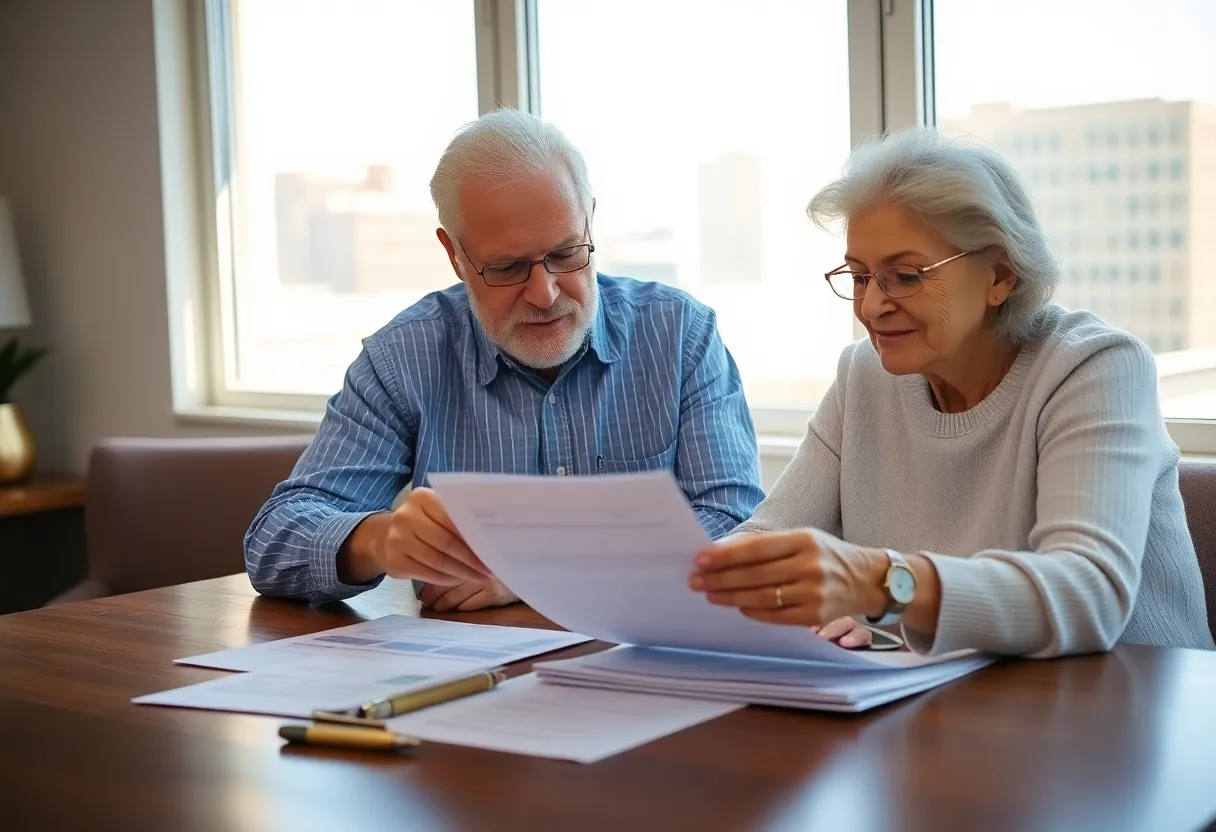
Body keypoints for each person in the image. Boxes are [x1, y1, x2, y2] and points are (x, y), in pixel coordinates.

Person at [689, 127, 1214, 657]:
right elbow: (767, 539)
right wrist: (670, 581)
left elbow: (1087, 594)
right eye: (860, 276)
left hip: (1128, 706)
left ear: (1000, 275)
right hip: (952, 701)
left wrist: (879, 585)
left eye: (906, 276)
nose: (871, 307)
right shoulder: (862, 375)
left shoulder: (1093, 368)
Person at [245, 108, 764, 610]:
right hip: (470, 672)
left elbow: (735, 525)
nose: (545, 293)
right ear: (455, 255)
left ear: (590, 222)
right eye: (508, 267)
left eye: (566, 254)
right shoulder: (403, 357)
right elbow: (274, 539)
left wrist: (541, 573)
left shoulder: (679, 335)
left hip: (650, 660)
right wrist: (379, 539)